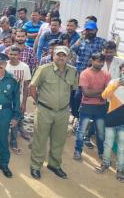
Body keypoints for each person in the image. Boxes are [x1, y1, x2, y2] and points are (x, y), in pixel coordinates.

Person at [29, 46, 78, 180]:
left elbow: (73, 90)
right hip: (44, 110)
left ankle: (54, 164)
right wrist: (39, 101)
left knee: (59, 140)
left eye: (64, 55)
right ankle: (36, 165)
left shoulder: (73, 71)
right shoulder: (44, 69)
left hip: (63, 112)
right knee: (40, 139)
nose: (61, 58)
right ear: (53, 56)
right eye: (58, 55)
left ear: (68, 57)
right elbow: (32, 87)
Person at [73, 53, 111, 161]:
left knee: (100, 132)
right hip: (87, 106)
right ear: (92, 60)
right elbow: (86, 92)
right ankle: (77, 151)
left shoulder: (107, 75)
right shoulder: (85, 73)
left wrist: (99, 92)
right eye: (98, 61)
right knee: (81, 130)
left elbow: (108, 92)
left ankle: (101, 152)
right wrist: (102, 92)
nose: (100, 63)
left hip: (101, 107)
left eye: (101, 61)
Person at [97, 63, 124, 182]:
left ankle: (120, 169)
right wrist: (116, 85)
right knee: (107, 144)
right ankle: (105, 163)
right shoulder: (113, 82)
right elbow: (104, 96)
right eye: (123, 70)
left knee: (122, 148)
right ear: (120, 71)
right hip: (111, 118)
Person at [6, 46, 32, 152]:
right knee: (3, 120)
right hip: (5, 98)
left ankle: (13, 141)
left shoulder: (25, 67)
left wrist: (24, 103)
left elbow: (26, 86)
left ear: (19, 55)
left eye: (15, 54)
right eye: (11, 54)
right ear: (8, 54)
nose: (13, 56)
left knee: (15, 120)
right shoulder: (5, 65)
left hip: (18, 98)